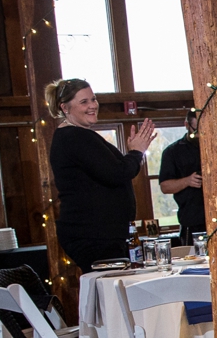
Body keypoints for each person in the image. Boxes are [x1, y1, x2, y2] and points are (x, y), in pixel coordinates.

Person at [47, 78, 155, 272]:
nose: (92, 106)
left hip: (101, 234)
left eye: (93, 99)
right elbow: (117, 173)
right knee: (109, 294)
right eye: (84, 102)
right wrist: (136, 152)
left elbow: (113, 170)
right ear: (65, 107)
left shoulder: (78, 136)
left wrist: (133, 154)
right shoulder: (75, 137)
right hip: (94, 236)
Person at [159, 111, 205, 243]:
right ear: (186, 125)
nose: (200, 133)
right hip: (192, 221)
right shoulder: (172, 152)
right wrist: (187, 181)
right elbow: (165, 187)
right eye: (196, 129)